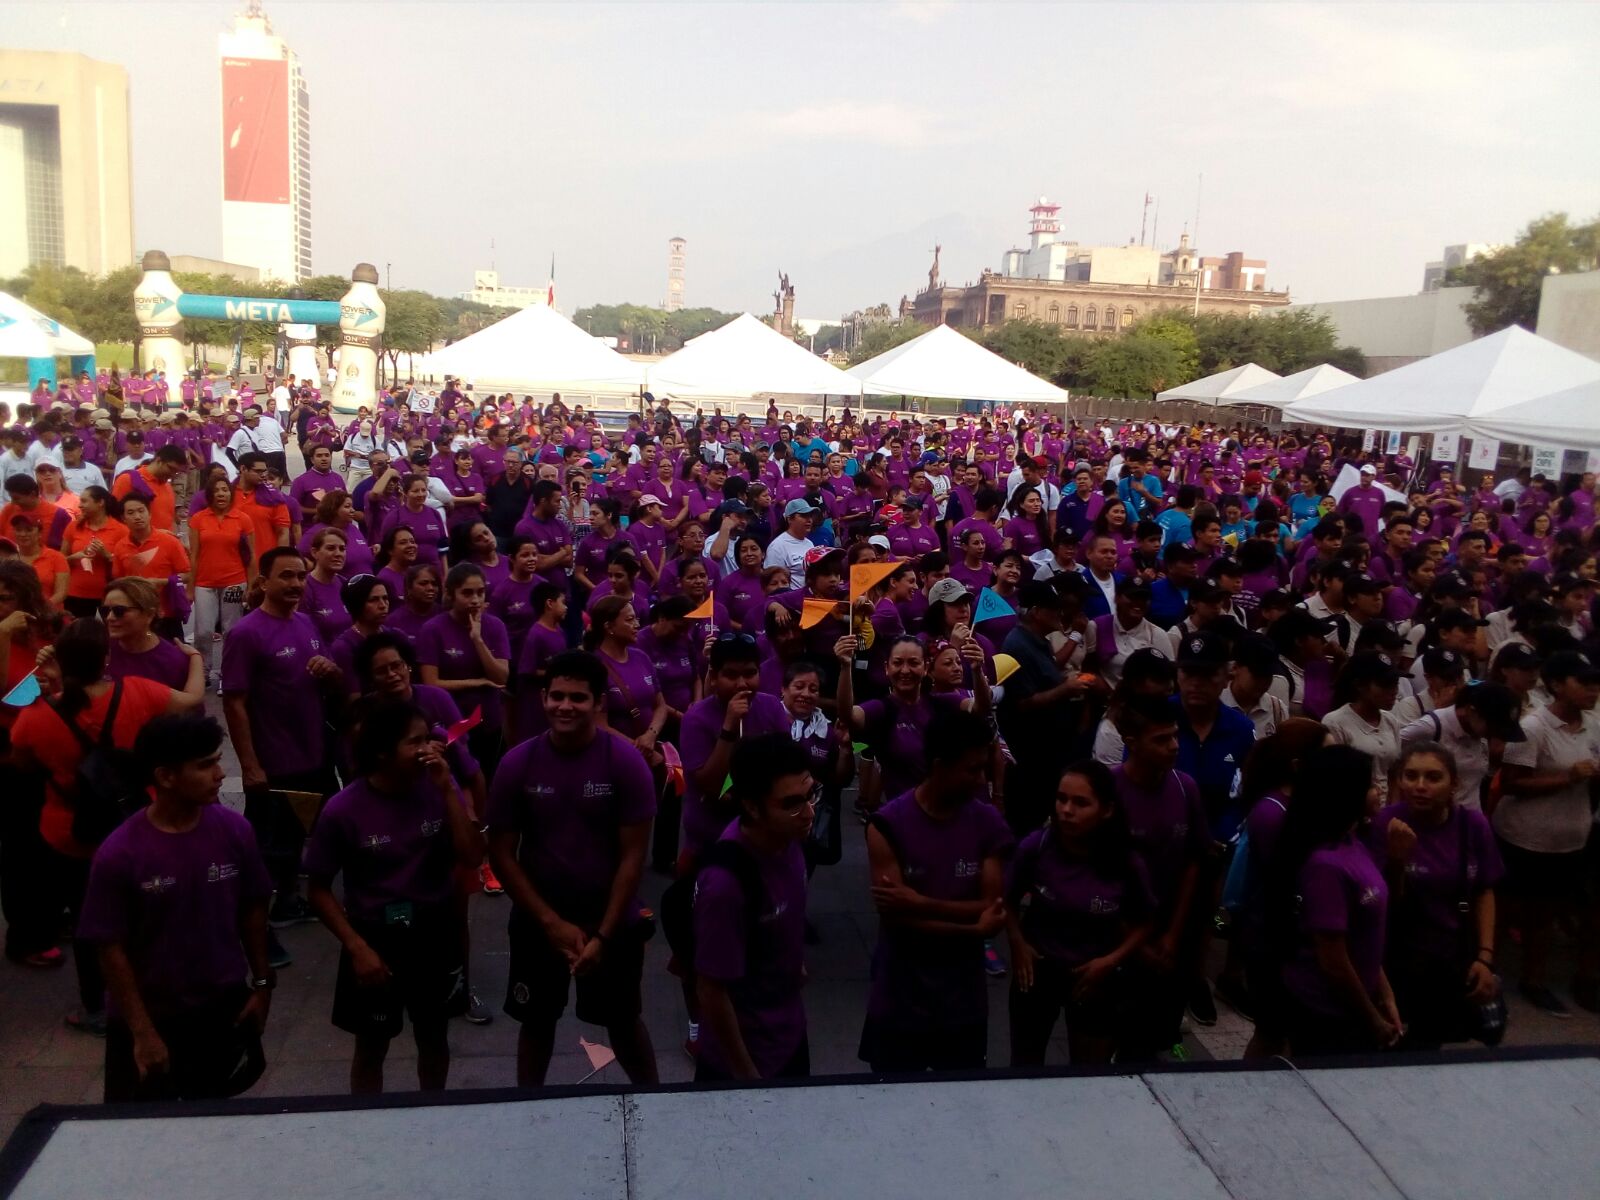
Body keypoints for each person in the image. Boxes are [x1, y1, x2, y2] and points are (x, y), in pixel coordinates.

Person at [10, 619, 202, 1035]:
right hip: (135, 820)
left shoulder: (37, 716)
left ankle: (95, 1004)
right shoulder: (137, 691)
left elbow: (22, 761)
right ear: (107, 658)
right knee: (148, 907)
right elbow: (191, 700)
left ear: (60, 663)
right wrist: (196, 657)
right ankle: (158, 986)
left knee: (88, 919)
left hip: (70, 832)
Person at [79, 714, 274, 1102]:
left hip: (220, 1010)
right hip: (152, 1015)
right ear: (165, 776)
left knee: (220, 1127)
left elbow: (253, 909)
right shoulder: (120, 854)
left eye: (217, 761)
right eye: (205, 765)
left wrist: (263, 984)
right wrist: (142, 1032)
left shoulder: (235, 831)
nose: (220, 774)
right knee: (141, 1135)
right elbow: (109, 948)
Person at [487, 651, 660, 1086]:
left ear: (598, 702)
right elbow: (502, 853)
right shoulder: (517, 763)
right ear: (543, 698)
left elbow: (634, 856)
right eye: (557, 696)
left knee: (623, 1022)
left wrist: (603, 934)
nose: (565, 706)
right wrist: (549, 923)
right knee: (536, 1022)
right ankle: (528, 1106)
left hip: (610, 916)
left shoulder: (624, 762)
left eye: (578, 698)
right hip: (538, 917)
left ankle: (658, 1102)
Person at [305, 698, 485, 1093]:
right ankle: (367, 1122)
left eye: (428, 739)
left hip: (434, 933)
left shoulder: (438, 786)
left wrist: (449, 793)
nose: (429, 749)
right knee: (371, 1046)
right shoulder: (342, 810)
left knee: (434, 1037)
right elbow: (316, 888)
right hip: (375, 937)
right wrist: (356, 947)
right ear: (383, 753)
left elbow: (473, 855)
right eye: (415, 742)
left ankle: (432, 1110)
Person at [859, 707, 1010, 1072]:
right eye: (972, 769)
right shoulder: (886, 825)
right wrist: (973, 929)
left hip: (963, 1004)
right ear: (940, 765)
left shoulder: (988, 821)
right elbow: (897, 919)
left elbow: (992, 906)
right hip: (899, 1000)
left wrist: (920, 902)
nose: (980, 780)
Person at [220, 548, 345, 967]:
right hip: (274, 762)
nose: (294, 584)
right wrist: (250, 765)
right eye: (286, 576)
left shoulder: (307, 623)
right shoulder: (246, 633)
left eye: (300, 576)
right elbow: (235, 703)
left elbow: (332, 679)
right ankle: (254, 932)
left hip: (313, 753)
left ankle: (288, 905)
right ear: (264, 582)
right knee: (266, 853)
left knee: (296, 840)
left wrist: (330, 674)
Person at [1006, 759, 1154, 1066]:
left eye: (1080, 803)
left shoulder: (1126, 863)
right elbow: (1005, 904)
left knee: (1089, 1072)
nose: (1066, 810)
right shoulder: (1035, 848)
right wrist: (1018, 944)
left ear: (1107, 810)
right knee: (1023, 1066)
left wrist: (1111, 961)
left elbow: (1145, 922)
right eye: (1061, 799)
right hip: (1037, 971)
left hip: (1094, 975)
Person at [688, 733, 815, 1082]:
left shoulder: (789, 838)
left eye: (810, 795)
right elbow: (711, 990)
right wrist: (746, 1076)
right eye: (791, 803)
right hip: (748, 1059)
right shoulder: (725, 884)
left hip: (789, 1035)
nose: (808, 812)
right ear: (752, 806)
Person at [1269, 744, 1401, 1057]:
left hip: (1359, 998)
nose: (1378, 790)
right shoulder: (1325, 865)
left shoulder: (1353, 841)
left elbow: (1365, 930)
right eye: (1369, 784)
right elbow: (1333, 960)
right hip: (1329, 1013)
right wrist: (1371, 1019)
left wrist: (1385, 993)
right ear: (1346, 792)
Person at [1371, 741, 1503, 1049]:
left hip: (1450, 958)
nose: (1420, 786)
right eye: (1411, 776)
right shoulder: (1386, 824)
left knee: (1431, 1046)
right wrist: (1396, 863)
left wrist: (1485, 957)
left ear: (1453, 784)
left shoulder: (1472, 826)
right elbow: (1381, 905)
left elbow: (1485, 889)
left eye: (1432, 777)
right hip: (1398, 960)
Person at [1494, 649, 1600, 1016]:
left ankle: (1550, 979)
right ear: (1556, 685)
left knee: (1553, 913)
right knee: (1521, 912)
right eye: (1583, 683)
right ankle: (1506, 980)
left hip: (1571, 837)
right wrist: (1567, 777)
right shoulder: (1533, 727)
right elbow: (1512, 783)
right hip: (1528, 839)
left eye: (1595, 684)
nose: (1592, 690)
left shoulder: (1593, 725)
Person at [1109, 694, 1212, 1059]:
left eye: (1174, 736)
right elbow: (1096, 873)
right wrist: (1133, 943)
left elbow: (1193, 863)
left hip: (1170, 933)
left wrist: (1171, 936)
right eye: (1161, 739)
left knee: (1159, 1033)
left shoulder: (1186, 788)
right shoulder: (1108, 791)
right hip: (1116, 934)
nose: (1173, 747)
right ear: (1131, 743)